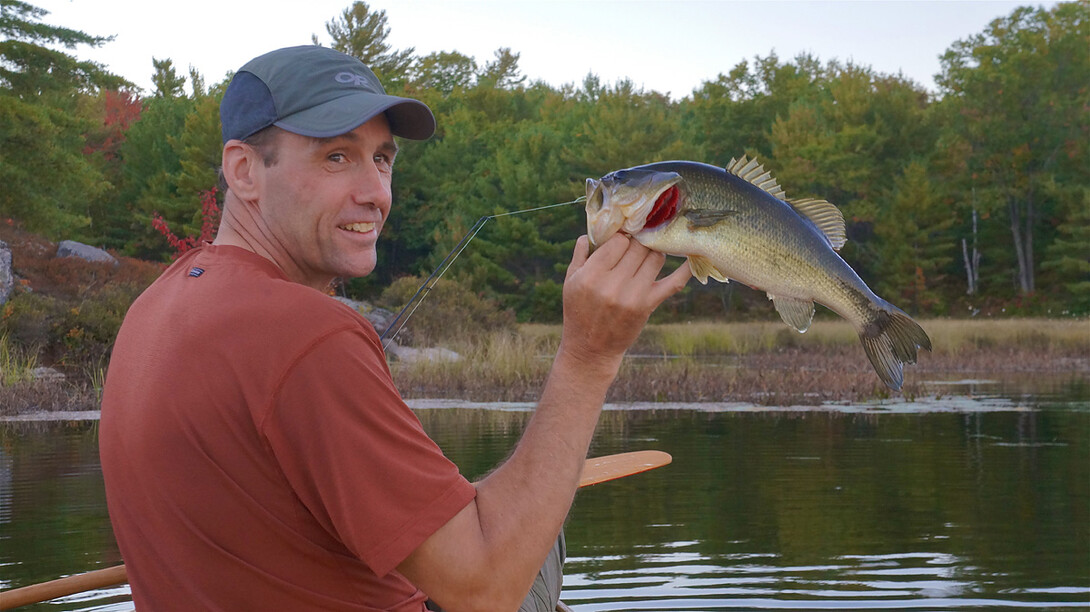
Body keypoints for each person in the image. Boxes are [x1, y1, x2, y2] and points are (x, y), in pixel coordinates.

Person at [99, 45, 690, 612]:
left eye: (382, 159)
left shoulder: (154, 308)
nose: (375, 193)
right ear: (245, 170)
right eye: (336, 156)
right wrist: (589, 357)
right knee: (535, 538)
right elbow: (485, 592)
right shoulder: (307, 335)